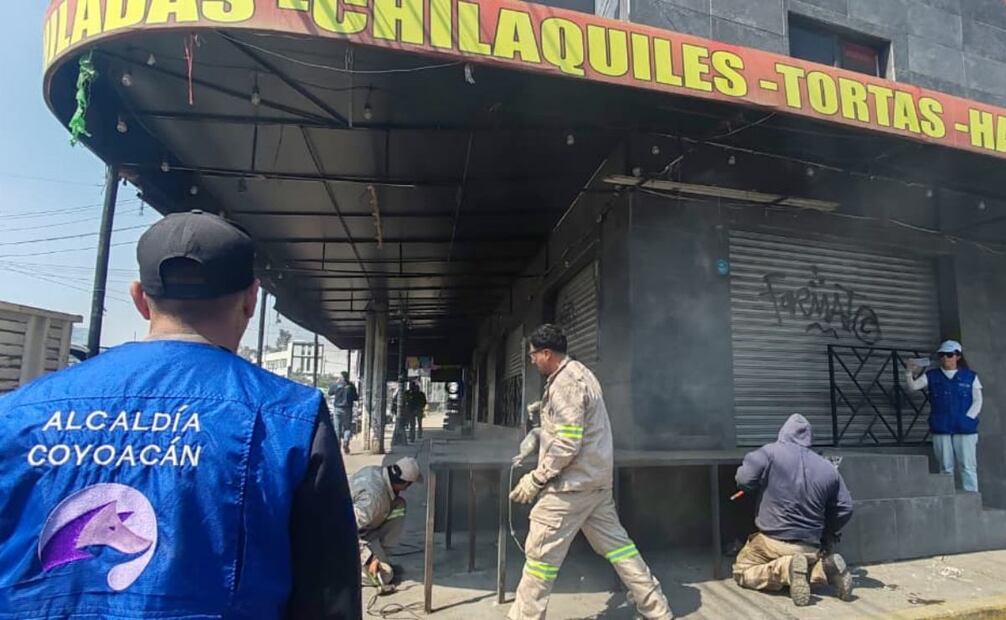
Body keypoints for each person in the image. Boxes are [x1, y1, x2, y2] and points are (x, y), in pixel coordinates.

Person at [0, 211, 361, 619]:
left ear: (139, 298)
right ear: (250, 300)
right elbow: (329, 598)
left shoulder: (16, 413)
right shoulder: (291, 417)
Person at [508, 324, 673, 620]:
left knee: (540, 557)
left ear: (547, 353)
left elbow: (568, 443)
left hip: (570, 487)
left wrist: (536, 478)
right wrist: (543, 419)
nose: (531, 360)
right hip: (595, 484)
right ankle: (657, 610)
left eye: (533, 355)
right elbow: (574, 427)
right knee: (621, 550)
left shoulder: (565, 384)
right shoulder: (580, 373)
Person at [732, 414, 854, 607]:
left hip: (771, 543)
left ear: (783, 432)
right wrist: (825, 532)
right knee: (806, 565)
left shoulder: (769, 453)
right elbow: (845, 507)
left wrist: (756, 485)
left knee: (742, 570)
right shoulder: (828, 468)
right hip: (810, 546)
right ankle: (826, 568)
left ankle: (785, 568)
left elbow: (744, 479)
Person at [905, 340, 983, 492]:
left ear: (957, 356)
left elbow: (978, 399)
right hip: (941, 426)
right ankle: (949, 496)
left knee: (968, 466)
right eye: (942, 355)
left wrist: (969, 417)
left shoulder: (970, 376)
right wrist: (909, 372)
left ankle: (971, 498)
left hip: (965, 427)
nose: (946, 358)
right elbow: (913, 386)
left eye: (949, 354)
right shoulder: (932, 375)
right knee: (945, 467)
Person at [350, 456, 423, 593]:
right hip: (335, 538)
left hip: (362, 529)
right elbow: (344, 529)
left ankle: (381, 557)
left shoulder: (374, 471)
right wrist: (368, 558)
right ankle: (343, 575)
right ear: (405, 484)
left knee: (399, 505)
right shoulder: (374, 500)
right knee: (386, 575)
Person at [329, 371, 360, 454]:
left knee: (337, 428)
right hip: (348, 409)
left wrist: (336, 383)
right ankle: (346, 442)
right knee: (347, 427)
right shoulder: (351, 386)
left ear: (341, 377)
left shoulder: (337, 385)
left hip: (337, 409)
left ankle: (337, 446)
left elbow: (330, 392)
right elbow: (356, 397)